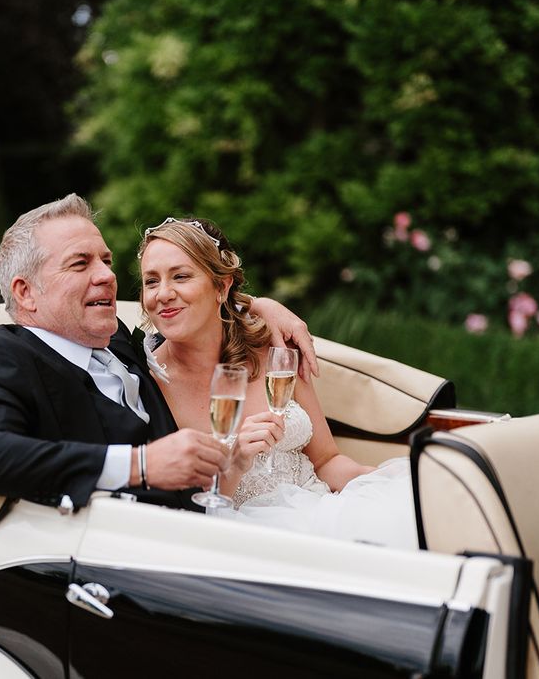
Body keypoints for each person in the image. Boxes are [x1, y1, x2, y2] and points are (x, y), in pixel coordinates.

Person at [0, 193, 317, 513]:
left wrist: (260, 306)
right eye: (80, 263)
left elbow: (189, 309)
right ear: (26, 292)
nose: (107, 275)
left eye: (106, 260)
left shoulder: (119, 339)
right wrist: (139, 464)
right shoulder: (0, 354)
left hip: (213, 523)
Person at [137, 217, 418, 549]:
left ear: (222, 286)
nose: (163, 294)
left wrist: (381, 483)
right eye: (151, 281)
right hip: (241, 539)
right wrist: (235, 458)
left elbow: (327, 461)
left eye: (181, 276)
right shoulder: (146, 380)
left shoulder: (275, 351)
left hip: (324, 510)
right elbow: (174, 510)